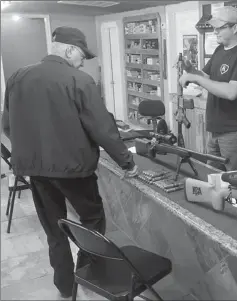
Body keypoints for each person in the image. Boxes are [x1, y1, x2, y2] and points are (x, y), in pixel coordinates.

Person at [2, 26, 138, 298]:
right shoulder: (79, 80)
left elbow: (7, 124)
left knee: (54, 230)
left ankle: (65, 287)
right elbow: (102, 129)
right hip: (74, 172)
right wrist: (127, 162)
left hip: (36, 172)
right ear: (69, 50)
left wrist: (30, 150)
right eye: (81, 56)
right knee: (92, 223)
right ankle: (90, 278)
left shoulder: (17, 76)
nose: (82, 62)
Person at [179, 6, 237, 171]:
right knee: (214, 180)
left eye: (219, 28)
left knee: (236, 183)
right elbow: (208, 78)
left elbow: (231, 92)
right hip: (217, 129)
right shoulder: (219, 50)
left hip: (236, 131)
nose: (214, 31)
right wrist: (191, 70)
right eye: (214, 28)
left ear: (235, 28)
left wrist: (195, 78)